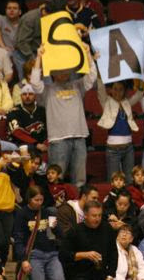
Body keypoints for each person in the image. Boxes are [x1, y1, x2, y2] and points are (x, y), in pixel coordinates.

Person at [31, 41, 96, 187]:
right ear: (52, 72)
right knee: (56, 178)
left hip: (79, 136)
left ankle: (77, 201)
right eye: (59, 70)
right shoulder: (47, 90)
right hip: (58, 139)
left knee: (80, 180)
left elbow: (92, 76)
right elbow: (34, 83)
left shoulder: (78, 85)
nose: (63, 72)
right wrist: (39, 57)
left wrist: (87, 54)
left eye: (66, 69)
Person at [96, 76, 144, 183]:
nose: (118, 92)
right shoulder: (106, 102)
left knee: (130, 180)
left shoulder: (127, 102)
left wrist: (141, 81)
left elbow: (139, 95)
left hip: (128, 147)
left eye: (121, 89)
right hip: (113, 149)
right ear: (111, 90)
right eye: (115, 89)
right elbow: (101, 90)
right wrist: (99, 76)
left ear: (124, 91)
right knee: (114, 180)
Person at [13, 185, 63, 280]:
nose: (39, 203)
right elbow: (18, 238)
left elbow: (60, 235)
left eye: (41, 200)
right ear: (29, 199)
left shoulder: (47, 212)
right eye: (36, 200)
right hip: (34, 255)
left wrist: (55, 227)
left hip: (52, 253)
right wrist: (23, 260)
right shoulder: (22, 214)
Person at [60, 200, 118, 280]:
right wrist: (84, 255)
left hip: (102, 275)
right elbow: (63, 255)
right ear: (85, 215)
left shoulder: (107, 228)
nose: (97, 219)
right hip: (79, 275)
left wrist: (110, 275)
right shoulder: (75, 231)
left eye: (99, 215)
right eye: (94, 216)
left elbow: (113, 253)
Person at [7, 84, 47, 153]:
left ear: (35, 96)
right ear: (21, 96)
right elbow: (17, 132)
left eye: (30, 94)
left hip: (43, 143)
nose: (27, 96)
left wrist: (45, 143)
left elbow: (50, 129)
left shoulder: (42, 110)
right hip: (23, 144)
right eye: (24, 94)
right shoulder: (14, 112)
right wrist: (36, 144)